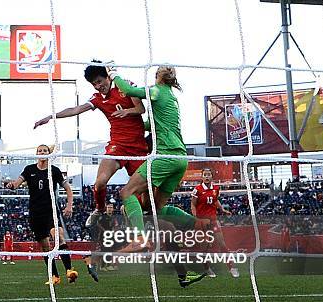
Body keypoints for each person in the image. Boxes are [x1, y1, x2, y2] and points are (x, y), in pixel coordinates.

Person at [108, 65, 206, 287]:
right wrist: (128, 122)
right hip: (181, 159)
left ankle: (139, 239)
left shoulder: (157, 91)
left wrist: (114, 74)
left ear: (158, 77)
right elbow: (149, 125)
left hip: (165, 157)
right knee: (157, 209)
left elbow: (129, 91)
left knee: (127, 192)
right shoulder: (171, 98)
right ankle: (194, 225)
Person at [34, 60, 149, 226]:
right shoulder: (97, 98)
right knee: (100, 182)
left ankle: (143, 223)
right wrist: (51, 116)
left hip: (138, 147)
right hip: (118, 145)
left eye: (100, 81)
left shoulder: (126, 87)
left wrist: (126, 111)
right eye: (94, 84)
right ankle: (100, 210)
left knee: (145, 195)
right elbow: (75, 110)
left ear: (108, 77)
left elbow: (141, 110)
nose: (97, 86)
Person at [6, 144, 78, 285]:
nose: (42, 152)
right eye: (40, 151)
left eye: (45, 151)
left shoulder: (54, 171)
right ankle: (55, 276)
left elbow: (68, 189)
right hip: (35, 213)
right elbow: (16, 184)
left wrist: (69, 205)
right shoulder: (29, 169)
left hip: (50, 210)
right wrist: (11, 186)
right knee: (45, 246)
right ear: (37, 153)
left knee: (58, 236)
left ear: (49, 154)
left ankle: (70, 270)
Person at [191, 168, 239, 278]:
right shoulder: (197, 190)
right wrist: (196, 218)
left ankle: (231, 268)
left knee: (222, 244)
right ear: (202, 177)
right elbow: (193, 204)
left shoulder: (216, 188)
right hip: (201, 222)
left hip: (213, 220)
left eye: (209, 175)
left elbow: (215, 200)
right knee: (204, 247)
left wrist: (222, 209)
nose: (207, 177)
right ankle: (207, 269)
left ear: (212, 177)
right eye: (205, 175)